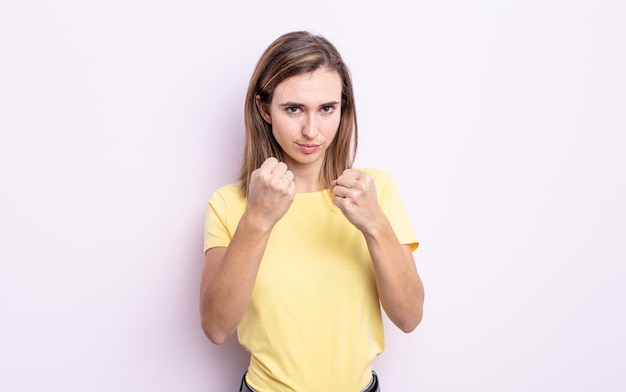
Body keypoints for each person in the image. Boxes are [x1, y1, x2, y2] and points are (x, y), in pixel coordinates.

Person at [200, 30, 424, 391]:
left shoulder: (374, 190)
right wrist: (257, 220)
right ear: (264, 109)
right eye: (293, 109)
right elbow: (215, 326)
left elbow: (410, 317)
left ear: (342, 108)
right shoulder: (230, 203)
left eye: (326, 109)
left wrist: (376, 225)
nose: (311, 130)